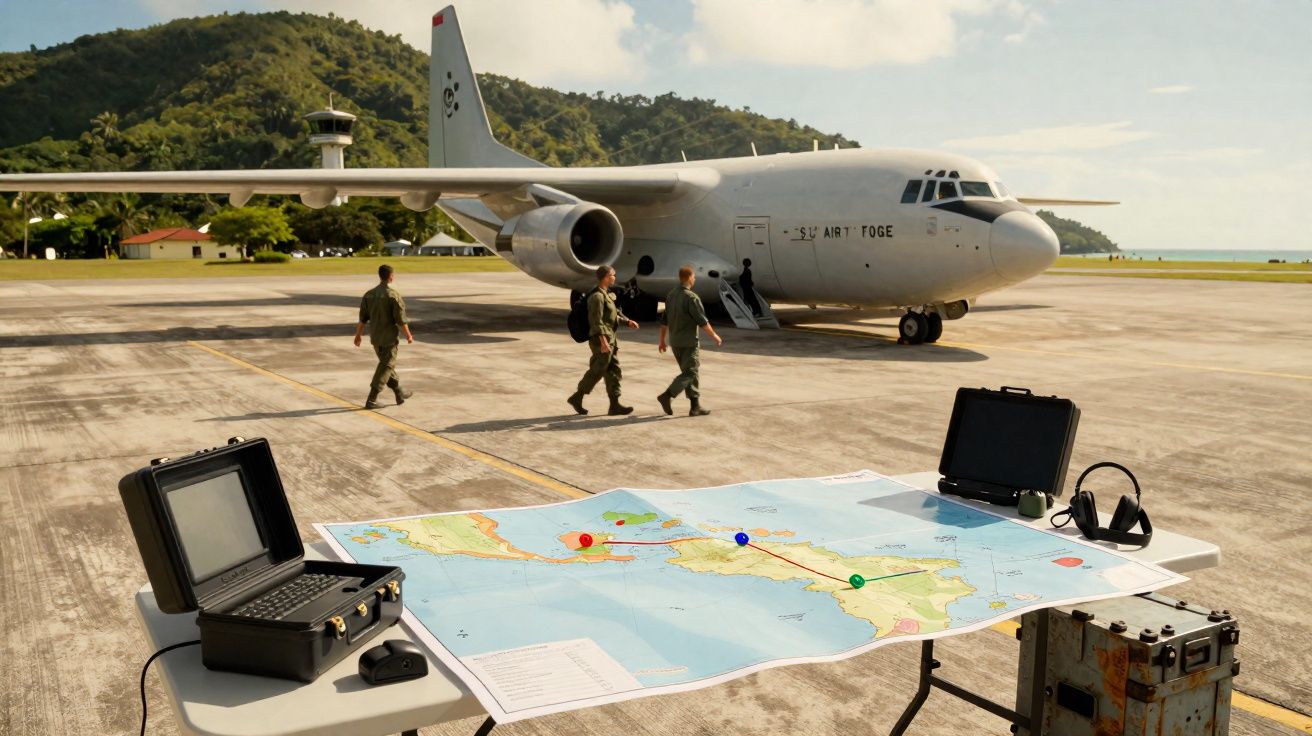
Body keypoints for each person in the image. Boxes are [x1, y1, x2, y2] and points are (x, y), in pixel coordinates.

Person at [568, 265, 639, 416]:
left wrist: (627, 321)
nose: (615, 277)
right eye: (613, 275)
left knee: (613, 370)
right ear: (606, 277)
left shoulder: (606, 294)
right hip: (601, 339)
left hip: (610, 338)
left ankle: (615, 405)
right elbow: (596, 322)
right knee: (597, 370)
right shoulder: (597, 297)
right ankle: (577, 397)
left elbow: (613, 315)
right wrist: (603, 341)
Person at [657, 265, 722, 417]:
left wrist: (662, 340)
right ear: (689, 278)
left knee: (691, 373)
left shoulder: (671, 295)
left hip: (675, 342)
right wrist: (714, 336)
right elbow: (702, 321)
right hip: (689, 342)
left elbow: (664, 321)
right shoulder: (691, 297)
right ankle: (667, 395)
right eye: (694, 277)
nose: (695, 279)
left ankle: (695, 407)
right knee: (690, 372)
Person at [353, 263, 414, 410]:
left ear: (380, 276)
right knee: (386, 366)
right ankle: (371, 399)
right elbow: (401, 320)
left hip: (376, 339)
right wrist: (409, 335)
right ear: (391, 277)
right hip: (388, 340)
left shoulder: (369, 294)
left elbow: (363, 318)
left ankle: (399, 392)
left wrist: (358, 335)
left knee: (387, 366)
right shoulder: (393, 295)